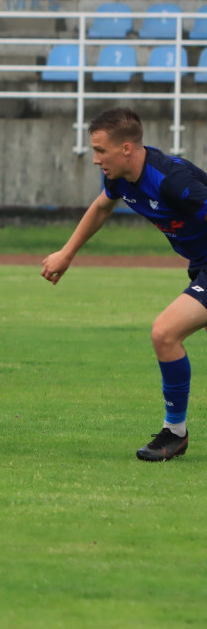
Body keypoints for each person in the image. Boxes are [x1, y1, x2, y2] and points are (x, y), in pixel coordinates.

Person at [42, 106, 207, 462]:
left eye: (100, 151)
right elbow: (102, 207)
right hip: (201, 267)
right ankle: (175, 434)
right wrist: (67, 253)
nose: (95, 159)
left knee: (165, 332)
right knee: (166, 334)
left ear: (127, 148)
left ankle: (174, 434)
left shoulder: (172, 182)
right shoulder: (120, 179)